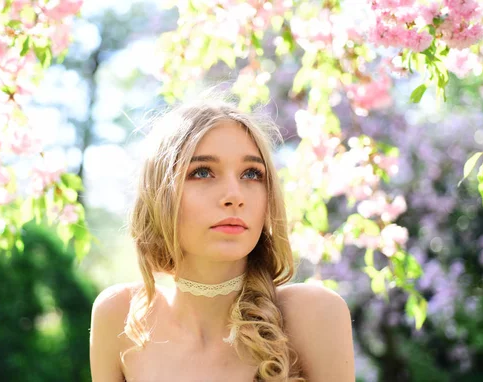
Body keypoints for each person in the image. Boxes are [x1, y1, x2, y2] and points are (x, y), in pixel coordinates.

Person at [89, 98, 355, 381]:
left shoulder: (313, 313)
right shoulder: (120, 316)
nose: (234, 196)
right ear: (160, 193)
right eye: (202, 172)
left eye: (251, 174)